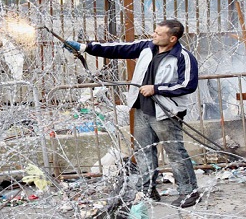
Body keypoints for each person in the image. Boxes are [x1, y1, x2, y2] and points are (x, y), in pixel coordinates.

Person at [65, 19, 200, 208]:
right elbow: (117, 49)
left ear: (172, 38)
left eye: (158, 34)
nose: (154, 35)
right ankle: (148, 190)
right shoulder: (146, 47)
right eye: (154, 31)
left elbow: (188, 85)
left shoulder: (183, 57)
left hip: (166, 113)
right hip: (142, 109)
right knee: (143, 152)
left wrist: (156, 88)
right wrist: (85, 47)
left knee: (175, 153)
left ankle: (189, 192)